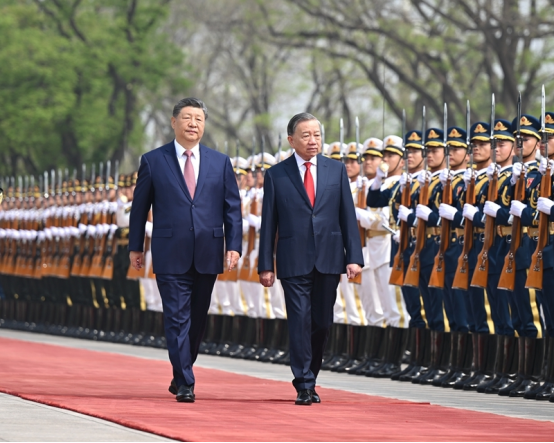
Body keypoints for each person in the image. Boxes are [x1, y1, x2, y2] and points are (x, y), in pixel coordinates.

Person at [128, 97, 243, 403]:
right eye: (187, 118)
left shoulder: (220, 162)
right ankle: (186, 382)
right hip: (170, 250)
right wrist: (135, 246)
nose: (193, 124)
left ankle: (181, 370)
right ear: (174, 122)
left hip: (208, 250)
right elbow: (139, 208)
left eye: (199, 119)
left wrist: (234, 245)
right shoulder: (153, 160)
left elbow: (232, 208)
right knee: (177, 317)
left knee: (196, 318)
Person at [258, 112, 364, 406]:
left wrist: (354, 257)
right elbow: (268, 224)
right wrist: (266, 265)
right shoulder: (277, 175)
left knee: (322, 322)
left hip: (329, 257)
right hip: (293, 260)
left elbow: (347, 215)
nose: (313, 140)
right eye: (306, 135)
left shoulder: (336, 170)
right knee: (299, 320)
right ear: (291, 140)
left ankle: (311, 374)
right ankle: (304, 383)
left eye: (317, 134)